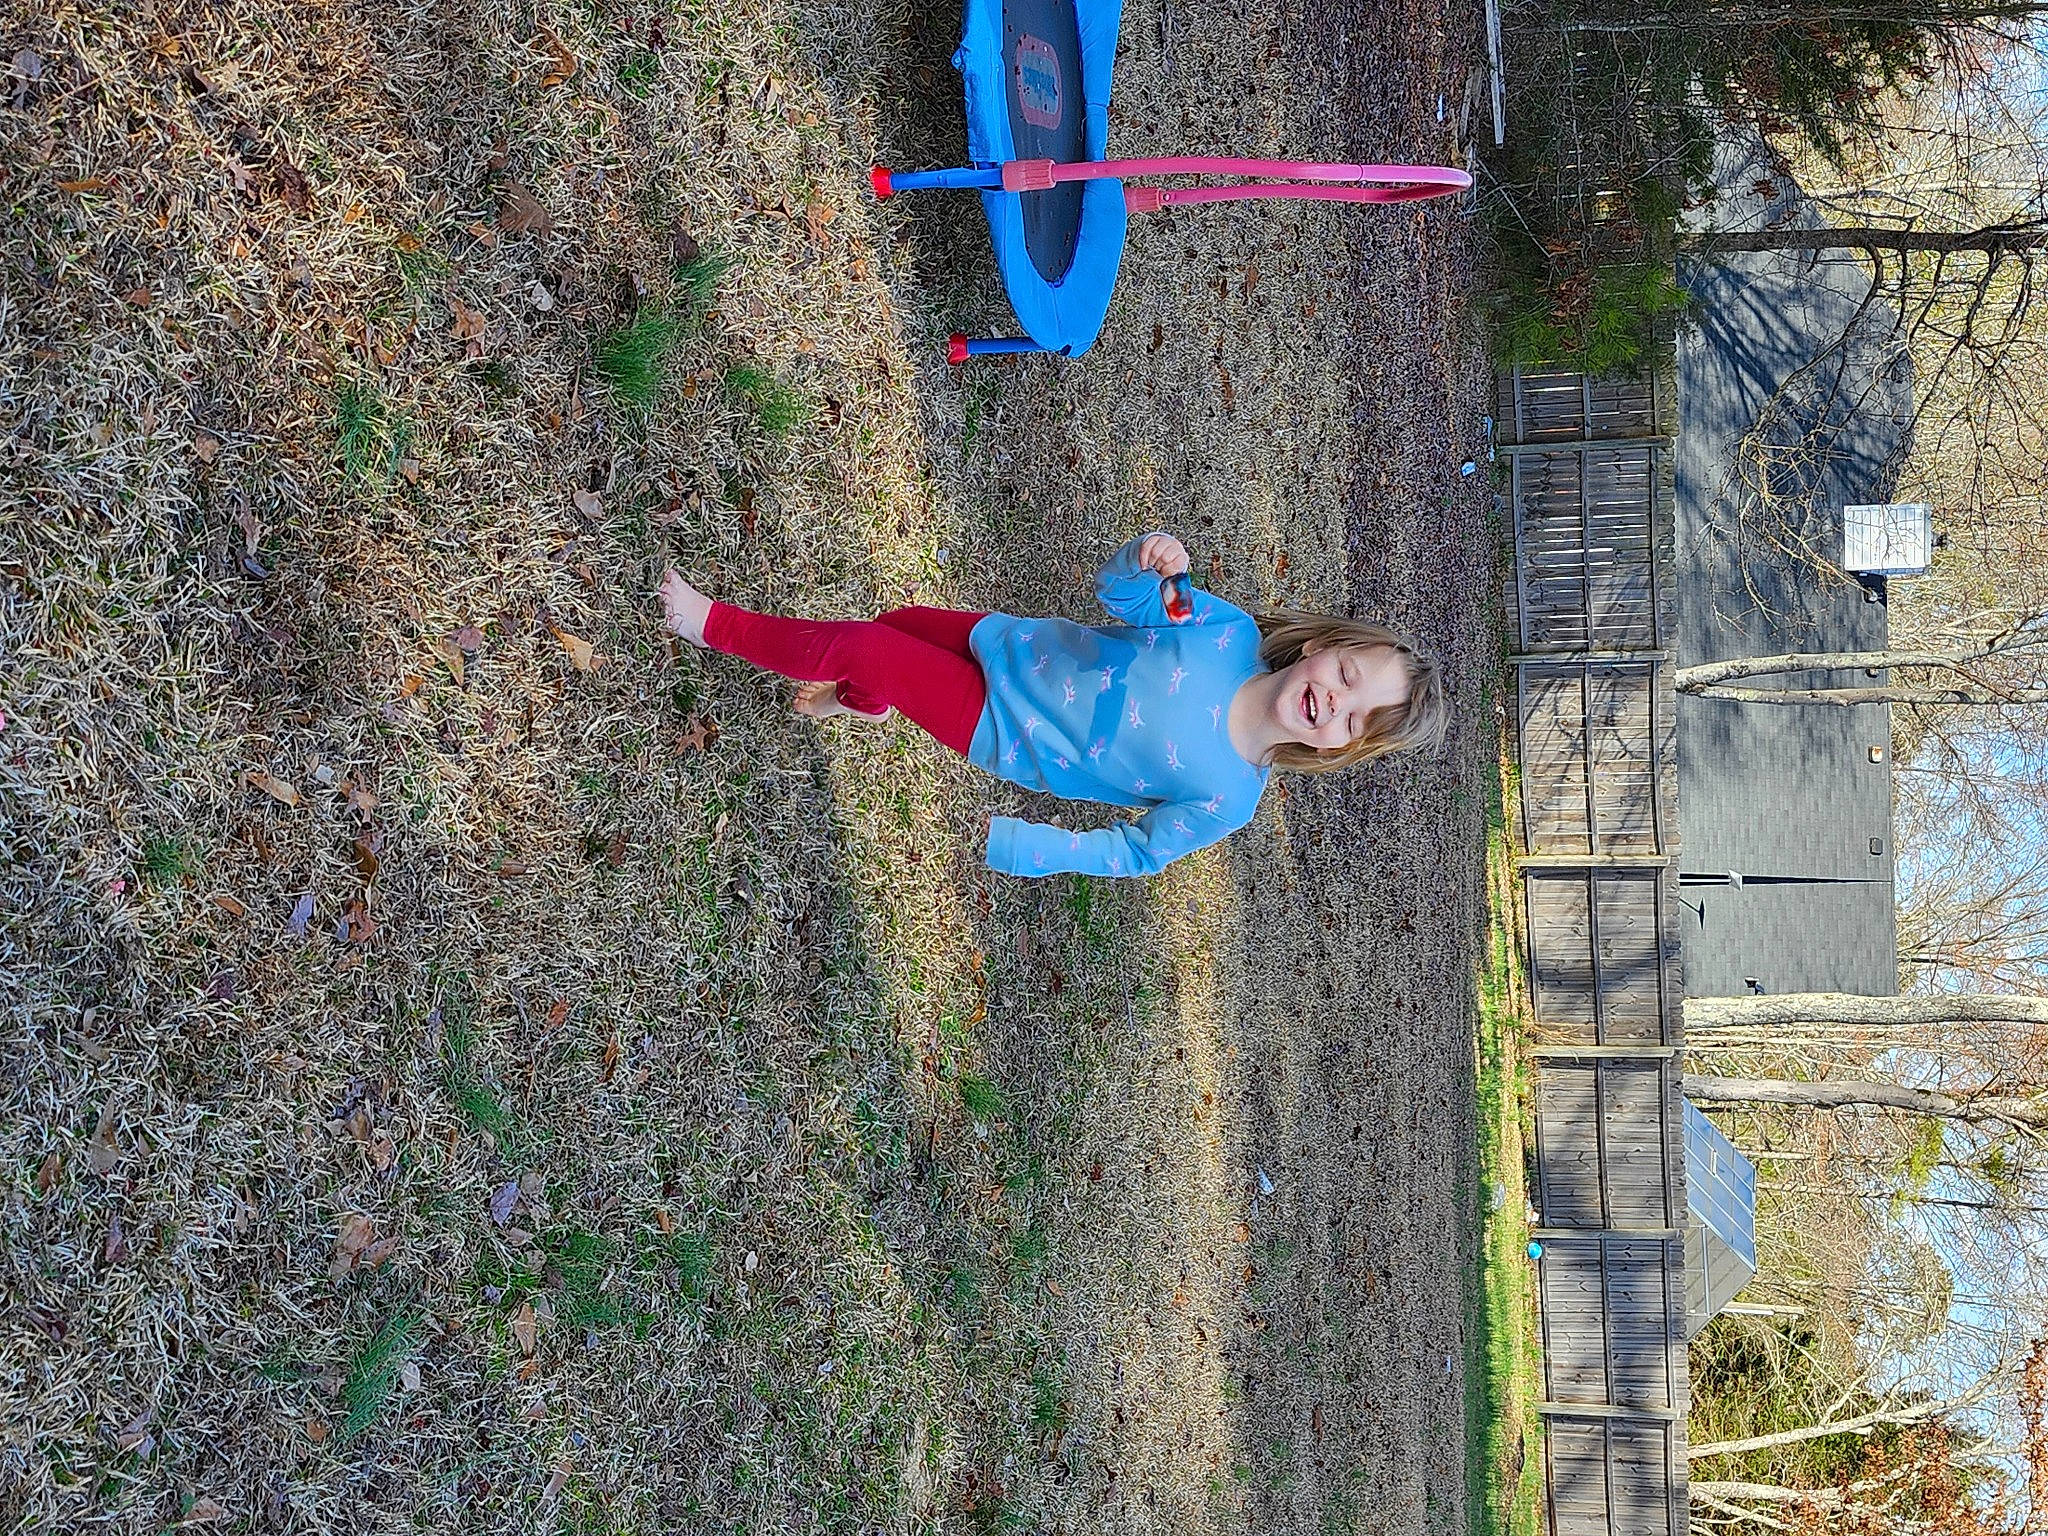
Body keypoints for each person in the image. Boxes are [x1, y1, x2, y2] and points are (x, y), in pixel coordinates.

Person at [657, 533, 1448, 877]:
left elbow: (1137, 855)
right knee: (892, 629)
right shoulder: (1224, 631)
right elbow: (1127, 597)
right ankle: (867, 703)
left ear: (1343, 748)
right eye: (1348, 677)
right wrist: (1144, 562)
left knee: (866, 647)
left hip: (1004, 730)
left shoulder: (1228, 795)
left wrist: (1034, 848)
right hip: (1011, 646)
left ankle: (710, 624)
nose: (1333, 705)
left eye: (1353, 721)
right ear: (1321, 649)